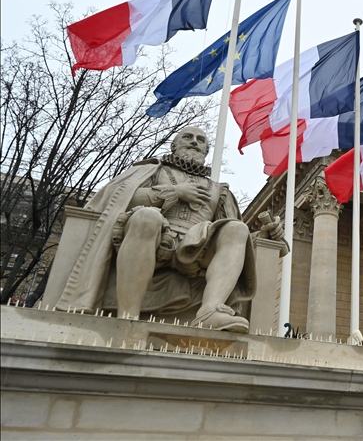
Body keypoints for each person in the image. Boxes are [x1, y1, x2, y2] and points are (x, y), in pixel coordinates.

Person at [55, 127, 283, 333]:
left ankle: (209, 311)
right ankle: (127, 316)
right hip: (151, 236)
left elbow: (230, 238)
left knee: (237, 227)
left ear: (206, 150)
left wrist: (261, 236)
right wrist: (174, 192)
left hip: (195, 247)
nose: (195, 142)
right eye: (188, 137)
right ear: (174, 145)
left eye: (201, 140)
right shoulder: (150, 172)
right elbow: (117, 201)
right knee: (147, 216)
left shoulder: (218, 190)